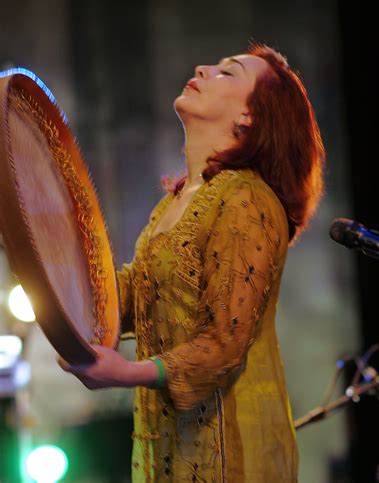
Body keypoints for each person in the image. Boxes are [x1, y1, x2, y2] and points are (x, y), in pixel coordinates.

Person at [59, 43, 325, 482]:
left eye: (228, 72)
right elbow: (133, 297)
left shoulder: (247, 199)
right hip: (171, 443)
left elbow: (225, 342)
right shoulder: (176, 202)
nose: (202, 67)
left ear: (249, 116)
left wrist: (127, 373)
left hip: (229, 450)